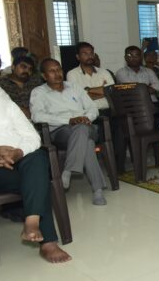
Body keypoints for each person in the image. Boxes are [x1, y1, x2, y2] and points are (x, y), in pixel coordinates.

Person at [0, 85, 72, 263]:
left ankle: (32, 220)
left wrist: (18, 152)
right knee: (36, 181)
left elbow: (32, 137)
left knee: (37, 157)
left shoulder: (3, 103)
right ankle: (48, 241)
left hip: (18, 159)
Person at [30, 58, 108, 206]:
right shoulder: (39, 92)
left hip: (87, 126)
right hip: (61, 131)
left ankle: (68, 170)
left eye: (59, 69)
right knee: (88, 143)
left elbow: (92, 108)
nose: (57, 73)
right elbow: (37, 116)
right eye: (52, 71)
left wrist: (86, 118)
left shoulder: (74, 87)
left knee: (83, 129)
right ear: (44, 75)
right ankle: (97, 190)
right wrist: (69, 120)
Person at [66, 41, 116, 110]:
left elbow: (112, 91)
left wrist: (88, 90)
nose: (89, 56)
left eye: (91, 53)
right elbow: (77, 98)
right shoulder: (72, 74)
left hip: (109, 111)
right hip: (87, 113)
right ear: (78, 57)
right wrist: (103, 91)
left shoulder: (104, 72)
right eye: (85, 54)